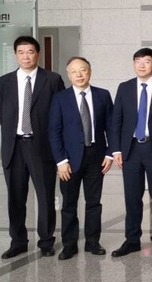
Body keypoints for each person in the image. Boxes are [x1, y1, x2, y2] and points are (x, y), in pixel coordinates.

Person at [0, 35, 65, 258]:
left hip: (41, 147)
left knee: (45, 196)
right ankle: (18, 241)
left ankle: (46, 241)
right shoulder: (2, 83)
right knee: (15, 197)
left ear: (38, 54)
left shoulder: (52, 80)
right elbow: (2, 115)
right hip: (14, 147)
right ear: (15, 55)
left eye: (30, 52)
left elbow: (59, 114)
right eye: (21, 52)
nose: (26, 56)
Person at [110, 48, 152, 257]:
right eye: (137, 60)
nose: (141, 65)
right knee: (132, 197)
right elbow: (116, 120)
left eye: (146, 61)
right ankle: (132, 240)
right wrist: (116, 149)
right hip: (130, 150)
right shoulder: (124, 88)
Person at [48, 56, 114, 260]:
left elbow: (111, 126)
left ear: (90, 72)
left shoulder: (103, 95)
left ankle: (93, 242)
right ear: (68, 75)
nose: (79, 74)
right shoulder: (60, 98)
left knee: (94, 202)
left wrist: (110, 153)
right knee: (69, 203)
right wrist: (61, 161)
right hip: (69, 159)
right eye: (74, 71)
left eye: (83, 70)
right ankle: (69, 245)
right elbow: (54, 131)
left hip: (96, 156)